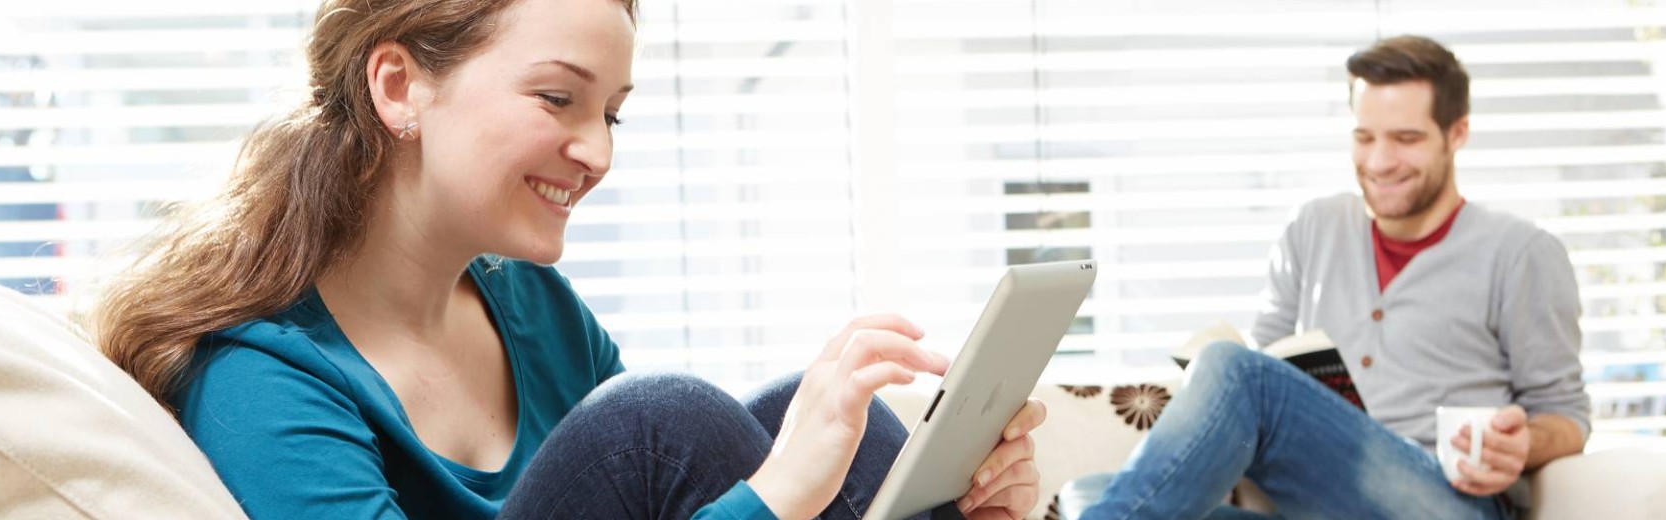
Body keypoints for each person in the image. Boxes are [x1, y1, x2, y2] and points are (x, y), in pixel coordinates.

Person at [89, 0, 1045, 518]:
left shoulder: (534, 307)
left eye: (612, 113)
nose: (599, 151)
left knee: (835, 417)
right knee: (661, 423)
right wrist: (779, 500)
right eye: (558, 98)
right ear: (397, 86)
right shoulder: (264, 380)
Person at [1077, 35, 1590, 519]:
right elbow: (1272, 377)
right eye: (1364, 138)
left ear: (1457, 134)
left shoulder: (1522, 253)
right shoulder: (1313, 229)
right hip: (1316, 503)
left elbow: (1568, 418)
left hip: (1443, 500)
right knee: (1096, 494)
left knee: (1238, 374)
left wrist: (1523, 445)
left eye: (1405, 139)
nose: (1379, 161)